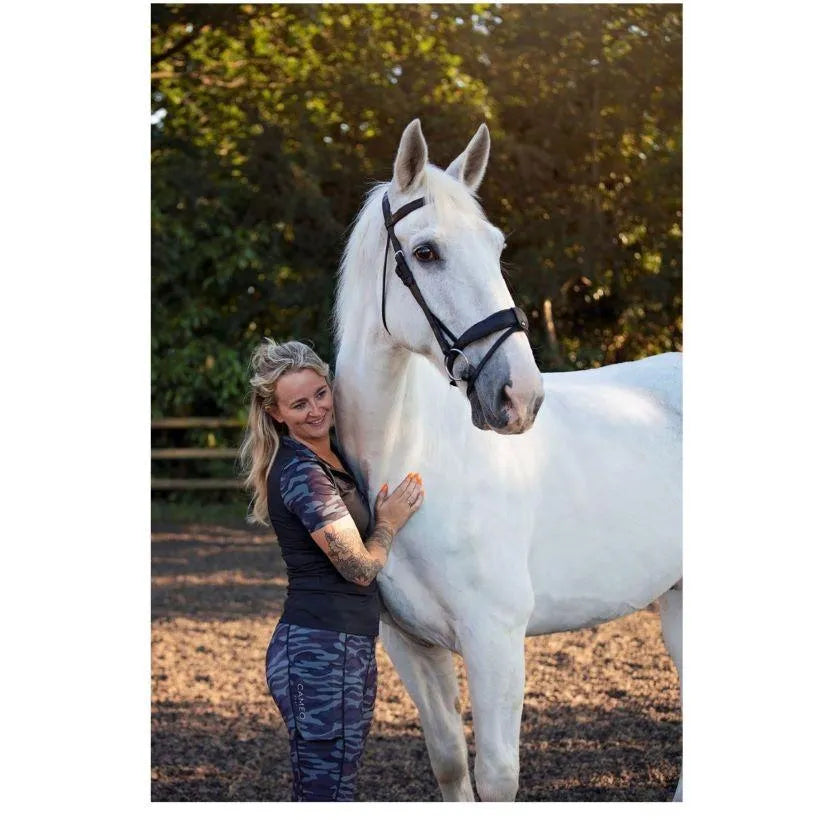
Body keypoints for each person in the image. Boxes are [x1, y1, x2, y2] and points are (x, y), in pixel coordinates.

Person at [239, 338, 424, 801]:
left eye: (321, 393)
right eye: (298, 404)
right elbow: (359, 569)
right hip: (319, 656)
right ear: (277, 413)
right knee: (328, 795)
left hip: (341, 647)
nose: (316, 409)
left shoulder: (329, 454)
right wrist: (388, 524)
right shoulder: (303, 472)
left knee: (329, 786)